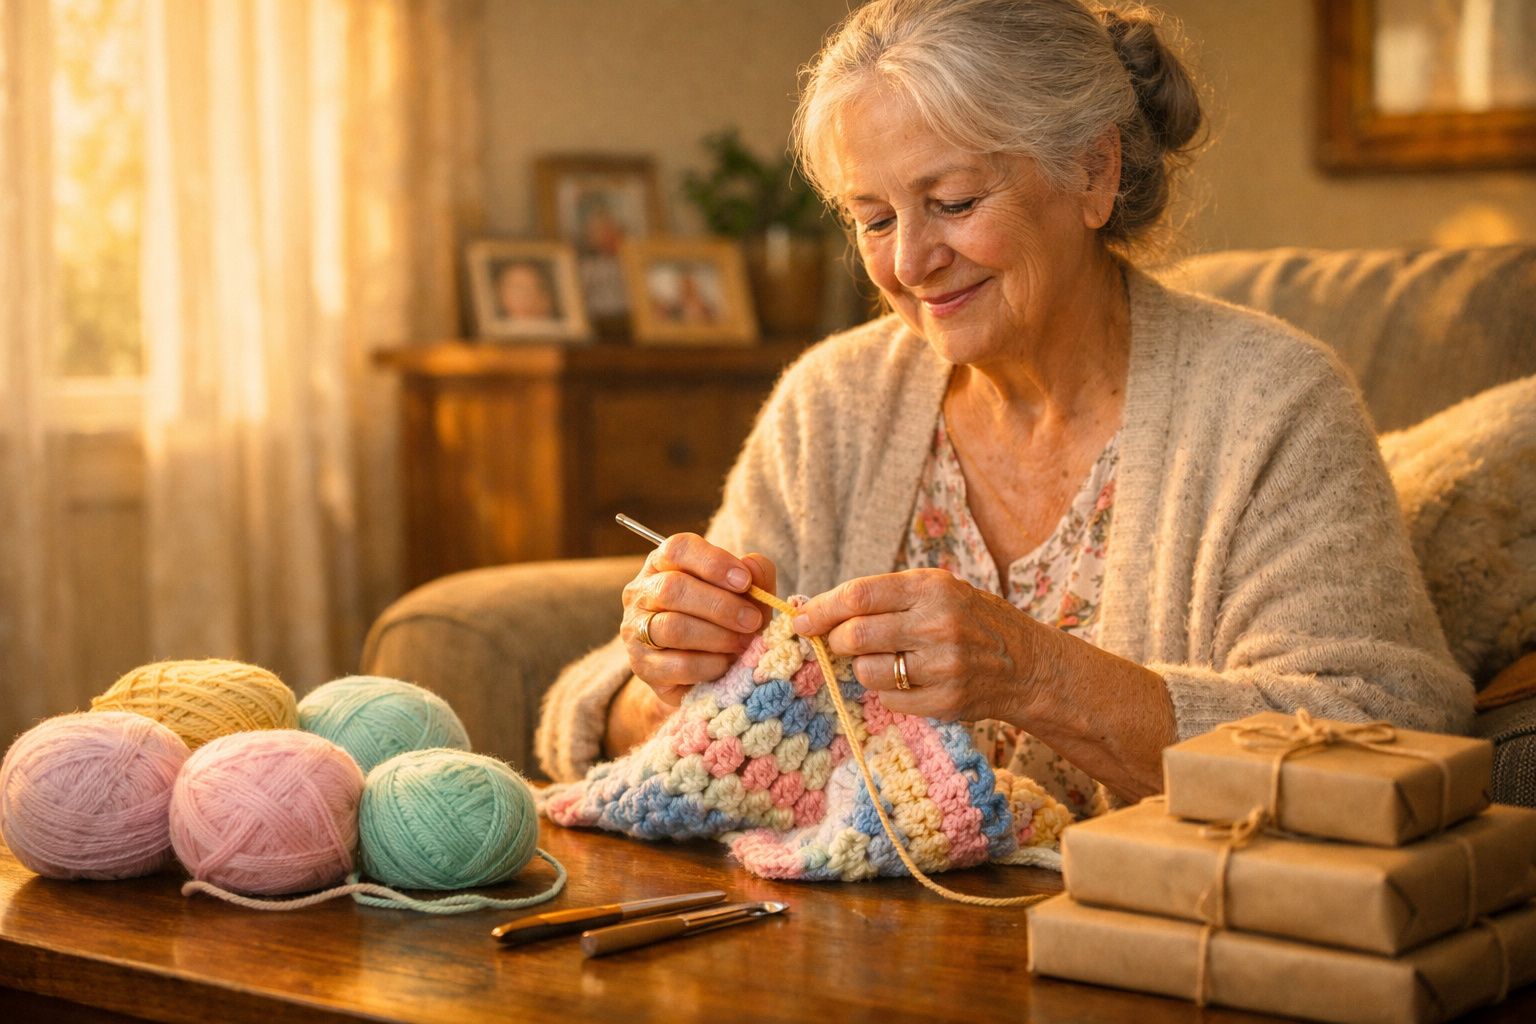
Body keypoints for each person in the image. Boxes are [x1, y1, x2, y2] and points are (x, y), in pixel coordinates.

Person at [534, 0, 1472, 814]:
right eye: (874, 218)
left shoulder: (1271, 404)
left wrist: (1034, 673)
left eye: (951, 201)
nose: (908, 265)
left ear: (1094, 174)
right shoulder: (834, 402)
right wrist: (672, 677)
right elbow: (669, 731)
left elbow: (1388, 730)